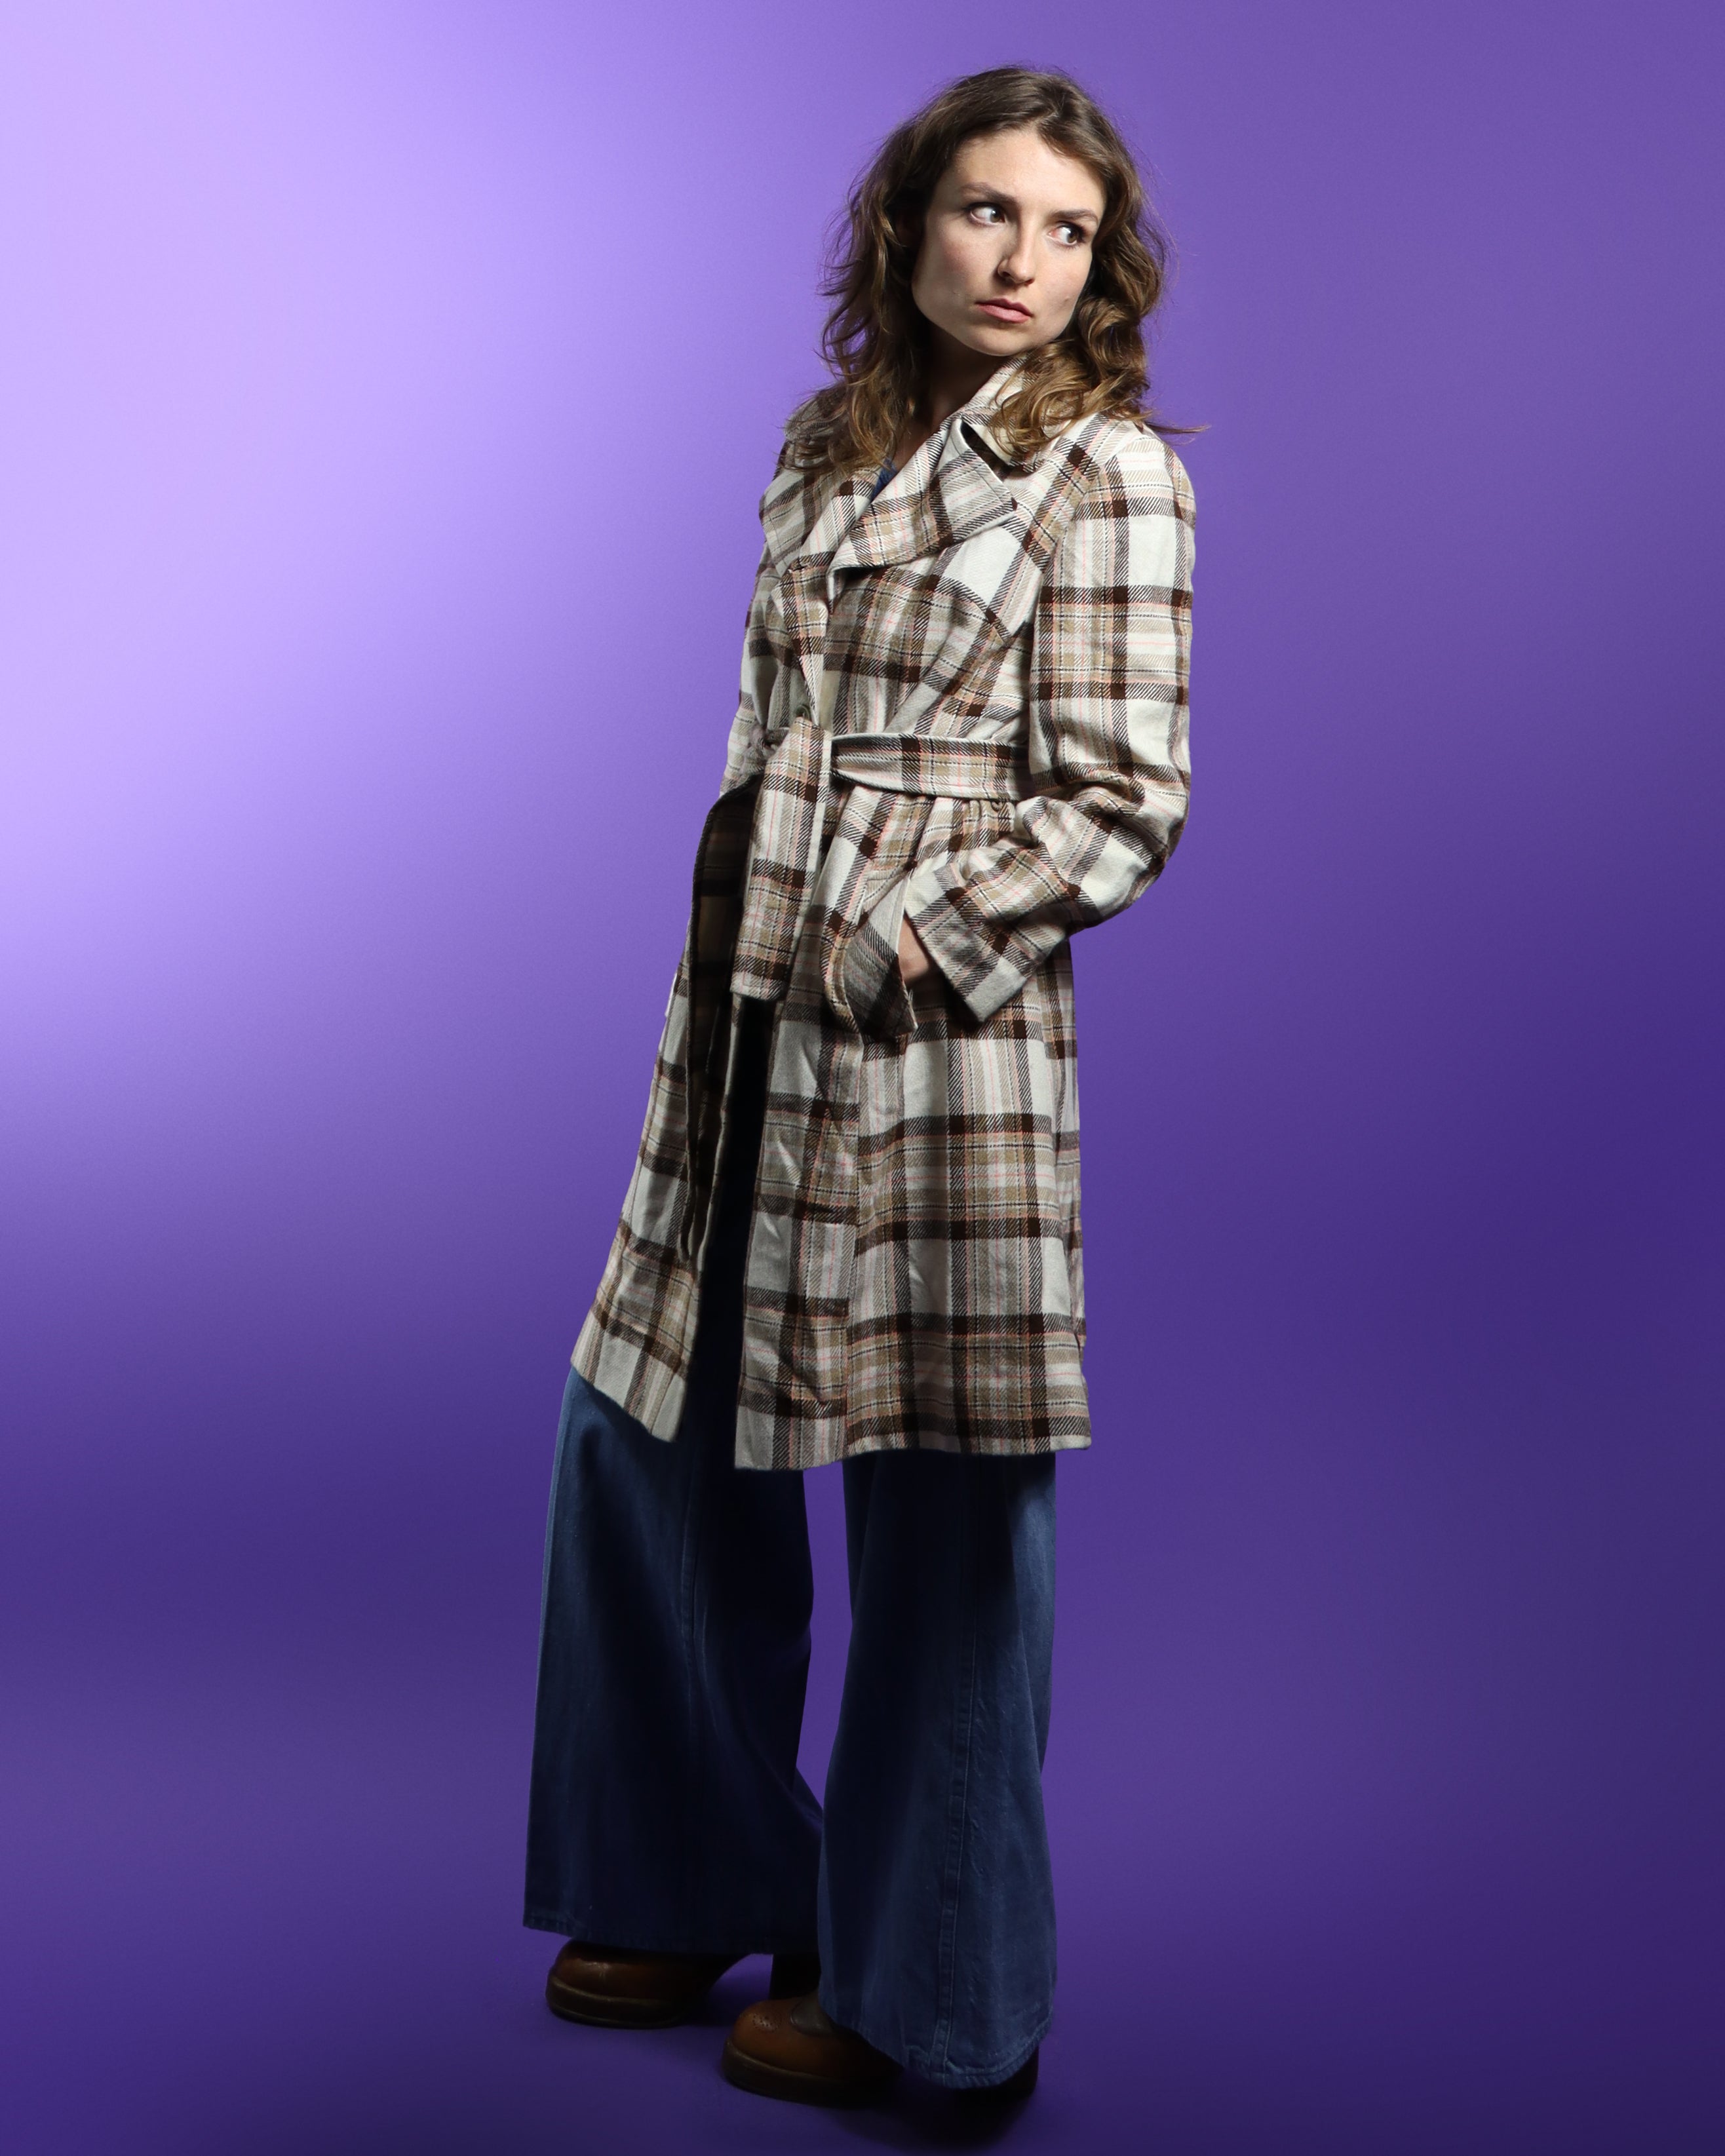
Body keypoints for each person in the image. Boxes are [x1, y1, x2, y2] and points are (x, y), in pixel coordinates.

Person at [523, 63, 1195, 2108]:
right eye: (990, 212)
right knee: (646, 1439)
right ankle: (700, 1868)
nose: (1024, 262)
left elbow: (1124, 799)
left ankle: (940, 1991)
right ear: (907, 224)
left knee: (948, 1516)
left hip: (930, 1055)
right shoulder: (822, 446)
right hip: (743, 1019)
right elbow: (769, 733)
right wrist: (751, 949)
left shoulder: (1109, 475)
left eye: (1067, 230)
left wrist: (905, 937)